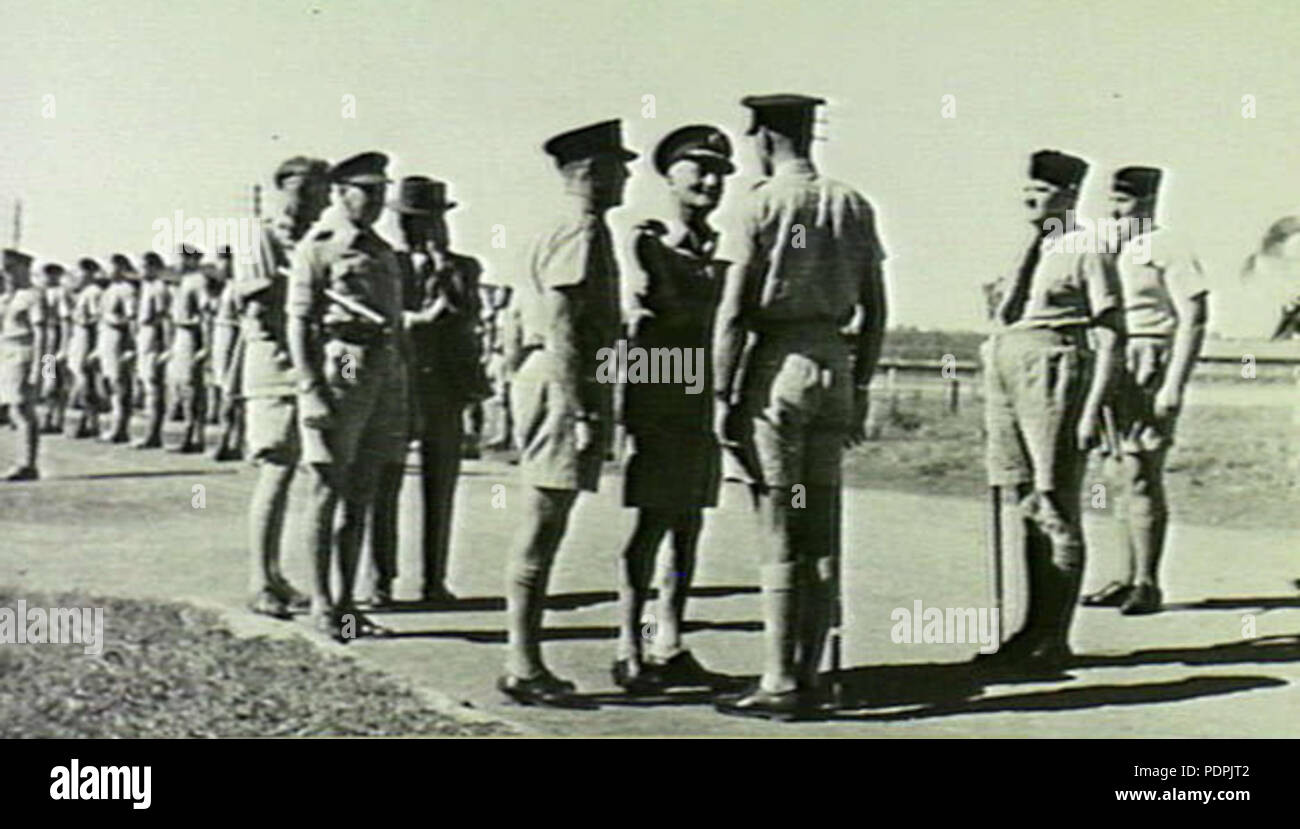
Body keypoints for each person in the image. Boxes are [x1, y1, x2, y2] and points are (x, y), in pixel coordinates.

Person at [710, 95, 888, 720]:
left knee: (779, 524)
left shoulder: (756, 204)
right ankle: (811, 670)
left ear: (762, 136)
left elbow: (733, 310)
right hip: (833, 369)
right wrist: (860, 383)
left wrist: (722, 393)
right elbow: (876, 309)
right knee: (820, 523)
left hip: (777, 368)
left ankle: (780, 677)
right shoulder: (853, 203)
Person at [499, 120, 635, 705]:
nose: (627, 175)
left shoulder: (559, 228)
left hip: (549, 380)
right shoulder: (580, 230)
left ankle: (524, 660)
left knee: (544, 522)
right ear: (591, 173)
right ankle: (523, 665)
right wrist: (581, 409)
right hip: (563, 384)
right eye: (618, 166)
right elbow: (562, 324)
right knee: (542, 523)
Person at [976, 149, 1122, 673]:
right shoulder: (1029, 245)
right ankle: (1029, 630)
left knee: (1054, 500)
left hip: (1054, 369)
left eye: (1039, 193)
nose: (1027, 199)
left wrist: (1091, 410)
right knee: (1021, 501)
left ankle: (1053, 637)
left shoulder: (1089, 247)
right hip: (1008, 362)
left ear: (1067, 196)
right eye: (1026, 190)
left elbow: (1109, 334)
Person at [611, 125, 735, 693]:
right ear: (669, 177)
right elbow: (638, 333)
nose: (711, 181)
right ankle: (628, 646)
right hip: (662, 399)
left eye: (719, 173)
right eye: (698, 170)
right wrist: (633, 413)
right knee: (653, 523)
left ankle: (670, 640)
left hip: (700, 402)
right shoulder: (647, 244)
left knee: (690, 525)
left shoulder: (717, 247)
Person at [287, 151, 406, 640]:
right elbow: (298, 321)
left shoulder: (381, 249)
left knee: (364, 492)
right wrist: (311, 388)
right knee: (328, 487)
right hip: (343, 362)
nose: (377, 203)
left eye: (382, 194)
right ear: (341, 193)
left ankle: (347, 604)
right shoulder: (319, 247)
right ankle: (320, 601)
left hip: (383, 367)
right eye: (368, 193)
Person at [1081, 166, 1209, 615]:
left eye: (1125, 201)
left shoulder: (1168, 246)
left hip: (1148, 360)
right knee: (1117, 473)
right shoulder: (1105, 246)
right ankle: (1124, 574)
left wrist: (1173, 383)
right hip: (1108, 360)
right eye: (1111, 200)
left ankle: (1147, 582)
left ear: (1150, 201)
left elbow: (1193, 317)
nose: (1116, 210)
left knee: (1140, 470)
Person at [374, 175, 485, 606]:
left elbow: (468, 314)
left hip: (445, 387)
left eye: (428, 220)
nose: (416, 229)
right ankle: (382, 580)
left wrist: (442, 266)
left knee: (441, 489)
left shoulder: (463, 267)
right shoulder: (385, 262)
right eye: (409, 220)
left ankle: (434, 580)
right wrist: (416, 319)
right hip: (398, 384)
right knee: (385, 487)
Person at [233, 155, 331, 619]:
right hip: (273, 365)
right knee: (275, 470)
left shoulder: (312, 239)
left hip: (309, 365)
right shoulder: (262, 236)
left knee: (308, 470)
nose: (314, 200)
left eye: (320, 191)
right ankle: (260, 579)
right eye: (304, 190)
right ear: (282, 190)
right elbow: (259, 298)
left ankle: (279, 577)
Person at [0, 249, 47, 480]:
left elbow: (45, 336)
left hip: (25, 354)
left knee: (22, 409)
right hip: (7, 353)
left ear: (24, 268)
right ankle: (23, 460)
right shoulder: (10, 297)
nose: (7, 275)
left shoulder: (33, 296)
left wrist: (45, 370)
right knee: (13, 410)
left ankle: (28, 464)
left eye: (11, 269)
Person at [167, 245, 209, 452]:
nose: (177, 263)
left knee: (191, 387)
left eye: (181, 259)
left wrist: (205, 347)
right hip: (180, 335)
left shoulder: (198, 282)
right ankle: (189, 434)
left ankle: (195, 435)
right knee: (181, 386)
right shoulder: (182, 282)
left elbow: (205, 316)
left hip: (192, 337)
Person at [97, 253, 138, 443]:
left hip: (118, 339)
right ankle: (112, 424)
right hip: (105, 338)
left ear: (121, 268)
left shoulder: (127, 290)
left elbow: (132, 320)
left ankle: (120, 427)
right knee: (108, 384)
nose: (108, 271)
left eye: (112, 267)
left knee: (119, 384)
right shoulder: (108, 290)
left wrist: (130, 347)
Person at [133, 251, 172, 449]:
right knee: (146, 386)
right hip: (143, 336)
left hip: (153, 339)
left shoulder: (159, 288)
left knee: (153, 387)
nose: (140, 271)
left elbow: (164, 319)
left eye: (143, 267)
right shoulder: (145, 288)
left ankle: (153, 433)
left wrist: (166, 347)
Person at [66, 258, 106, 439]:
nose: (75, 277)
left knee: (84, 384)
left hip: (83, 341)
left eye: (78, 272)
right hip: (73, 341)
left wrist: (95, 348)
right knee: (73, 382)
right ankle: (82, 421)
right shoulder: (78, 293)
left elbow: (97, 321)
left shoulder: (93, 293)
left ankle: (89, 422)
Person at [38, 262, 71, 434]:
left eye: (52, 274)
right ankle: (49, 417)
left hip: (53, 337)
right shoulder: (39, 292)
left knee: (51, 380)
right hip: (41, 337)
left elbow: (65, 321)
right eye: (46, 273)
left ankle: (53, 418)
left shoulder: (60, 293)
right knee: (45, 379)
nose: (48, 277)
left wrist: (64, 347)